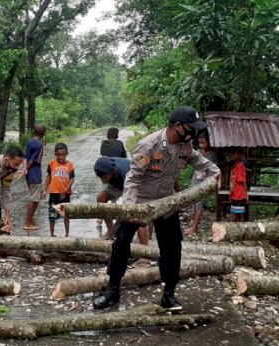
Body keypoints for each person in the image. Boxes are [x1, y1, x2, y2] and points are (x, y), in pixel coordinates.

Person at [92, 106, 220, 311]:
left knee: (173, 247)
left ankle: (169, 295)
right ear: (177, 126)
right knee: (120, 244)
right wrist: (131, 210)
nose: (193, 133)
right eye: (190, 128)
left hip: (166, 203)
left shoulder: (185, 146)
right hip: (139, 202)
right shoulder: (149, 146)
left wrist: (214, 171)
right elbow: (133, 179)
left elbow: (197, 160)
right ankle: (112, 290)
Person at [93, 156, 150, 245]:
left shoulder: (126, 173)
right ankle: (110, 230)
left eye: (104, 177)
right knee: (100, 198)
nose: (102, 179)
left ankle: (144, 247)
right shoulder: (107, 167)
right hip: (117, 184)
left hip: (136, 185)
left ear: (112, 173)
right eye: (100, 177)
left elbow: (129, 196)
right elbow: (105, 186)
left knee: (137, 214)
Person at [185, 131, 219, 236]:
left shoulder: (212, 154)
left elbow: (214, 170)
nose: (200, 145)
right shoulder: (198, 151)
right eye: (199, 143)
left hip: (203, 184)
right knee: (194, 204)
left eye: (203, 142)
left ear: (209, 142)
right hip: (195, 181)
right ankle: (193, 225)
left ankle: (195, 227)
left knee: (199, 204)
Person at [43, 143, 75, 237]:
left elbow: (72, 178)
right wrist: (45, 189)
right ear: (55, 154)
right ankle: (52, 234)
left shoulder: (70, 165)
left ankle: (67, 234)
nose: (61, 157)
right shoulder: (51, 163)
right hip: (53, 193)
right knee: (52, 215)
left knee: (66, 214)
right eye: (59, 155)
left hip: (65, 194)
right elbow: (49, 177)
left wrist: (66, 189)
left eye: (63, 154)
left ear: (67, 153)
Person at [23, 124, 47, 230]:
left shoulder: (30, 141)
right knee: (34, 198)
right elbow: (33, 159)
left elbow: (26, 156)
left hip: (29, 173)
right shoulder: (39, 144)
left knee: (35, 196)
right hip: (34, 172)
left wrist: (25, 169)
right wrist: (26, 168)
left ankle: (31, 220)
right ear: (44, 133)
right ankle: (28, 223)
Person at [229, 148, 248, 222]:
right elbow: (233, 182)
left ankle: (236, 230)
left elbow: (243, 182)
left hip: (239, 195)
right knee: (236, 213)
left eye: (233, 153)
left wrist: (246, 195)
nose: (231, 155)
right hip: (235, 194)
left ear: (239, 155)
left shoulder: (240, 166)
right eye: (231, 153)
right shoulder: (235, 166)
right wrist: (231, 194)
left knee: (235, 213)